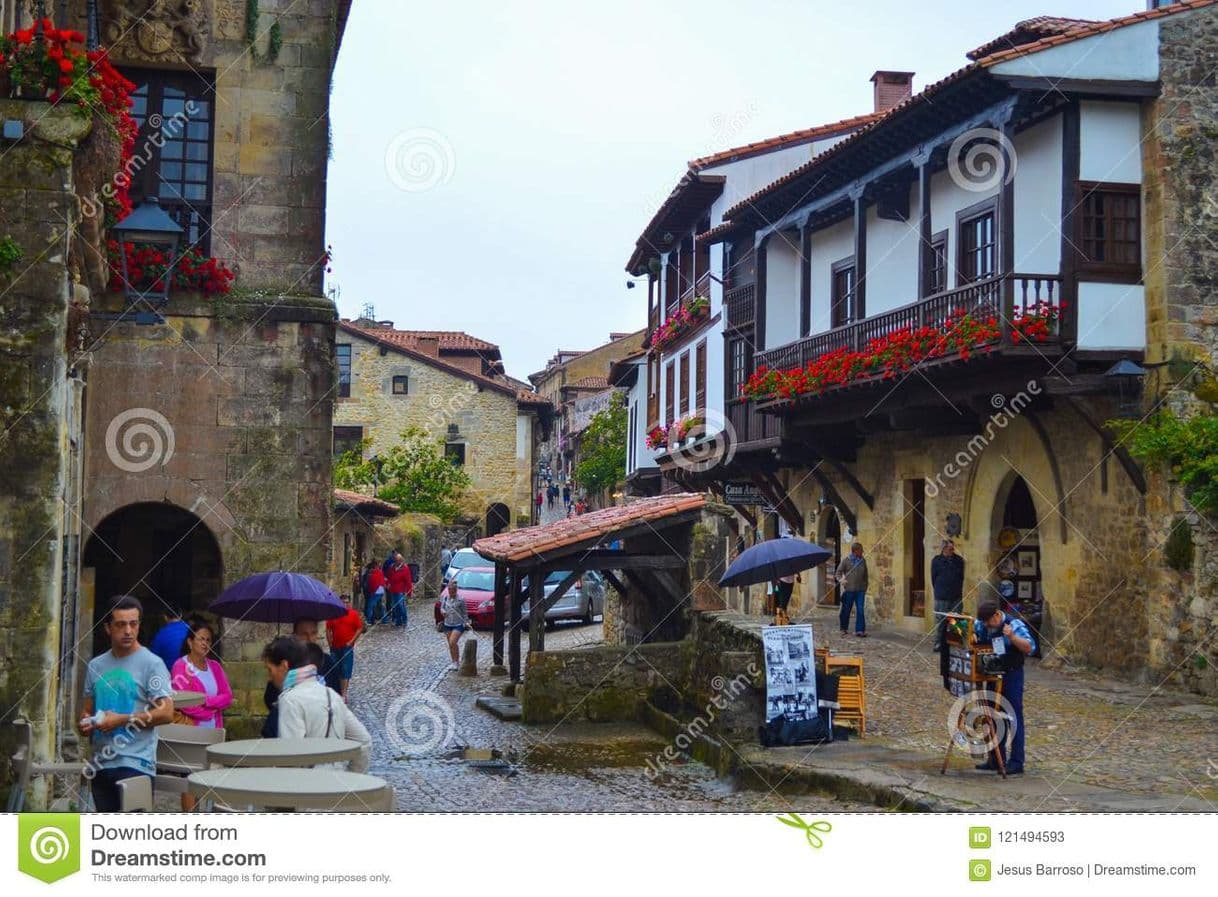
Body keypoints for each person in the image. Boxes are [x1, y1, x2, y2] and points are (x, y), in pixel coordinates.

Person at [78, 595, 174, 812]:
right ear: (108, 628)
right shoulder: (95, 665)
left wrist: (120, 720)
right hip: (101, 763)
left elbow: (167, 712)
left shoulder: (152, 664)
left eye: (133, 623)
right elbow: (87, 711)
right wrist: (85, 723)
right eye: (121, 625)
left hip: (136, 764)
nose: (128, 631)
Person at [264, 636, 371, 772]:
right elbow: (364, 741)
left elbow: (291, 759)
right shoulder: (332, 695)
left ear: (284, 666)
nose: (269, 677)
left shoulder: (290, 700)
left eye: (269, 669)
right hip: (337, 788)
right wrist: (352, 778)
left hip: (307, 789)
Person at [169, 618, 232, 810]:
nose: (205, 643)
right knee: (190, 780)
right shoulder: (181, 667)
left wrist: (205, 700)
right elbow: (185, 703)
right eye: (201, 639)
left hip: (213, 732)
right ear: (190, 642)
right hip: (192, 732)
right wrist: (210, 708)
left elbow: (227, 697)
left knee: (215, 778)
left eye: (208, 640)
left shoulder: (215, 667)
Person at [973, 588, 1036, 776]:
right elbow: (974, 633)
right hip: (992, 674)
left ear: (996, 616)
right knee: (993, 716)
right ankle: (995, 758)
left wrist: (1012, 637)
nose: (986, 626)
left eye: (988, 623)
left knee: (1014, 715)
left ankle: (1017, 762)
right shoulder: (982, 624)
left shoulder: (1013, 624)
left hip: (1012, 673)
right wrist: (973, 638)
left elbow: (1030, 647)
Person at [326, 594, 364, 701]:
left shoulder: (353, 614)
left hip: (347, 647)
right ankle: (337, 691)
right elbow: (328, 629)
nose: (345, 604)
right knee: (335, 669)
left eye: (347, 602)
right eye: (343, 602)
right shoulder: (333, 614)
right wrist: (330, 643)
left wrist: (351, 641)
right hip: (335, 647)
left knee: (345, 670)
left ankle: (343, 694)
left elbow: (359, 629)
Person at [931, 540, 966, 652]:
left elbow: (961, 577)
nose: (952, 551)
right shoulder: (937, 561)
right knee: (941, 621)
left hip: (956, 595)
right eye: (950, 549)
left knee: (957, 620)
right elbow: (934, 578)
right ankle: (939, 643)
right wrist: (939, 589)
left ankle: (956, 643)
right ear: (944, 549)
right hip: (942, 596)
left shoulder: (959, 560)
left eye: (953, 548)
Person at [292, 617, 342, 693]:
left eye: (313, 633)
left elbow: (336, 693)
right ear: (295, 636)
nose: (310, 639)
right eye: (304, 634)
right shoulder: (287, 663)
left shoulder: (327, 661)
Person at [836, 542, 869, 637]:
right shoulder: (846, 561)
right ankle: (843, 628)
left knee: (860, 609)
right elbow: (838, 572)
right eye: (861, 550)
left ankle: (860, 630)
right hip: (849, 590)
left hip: (860, 590)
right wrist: (841, 580)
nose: (862, 552)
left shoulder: (863, 561)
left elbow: (866, 576)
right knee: (846, 610)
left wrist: (865, 586)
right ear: (855, 551)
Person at [440, 577, 472, 672]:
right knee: (450, 644)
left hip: (458, 624)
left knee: (453, 642)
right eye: (449, 590)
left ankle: (456, 662)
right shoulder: (445, 598)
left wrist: (466, 622)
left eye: (452, 590)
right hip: (448, 623)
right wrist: (443, 612)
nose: (451, 592)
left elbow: (465, 613)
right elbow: (442, 608)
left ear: (456, 590)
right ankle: (454, 661)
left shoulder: (461, 600)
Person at [148, 608, 190, 673]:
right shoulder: (190, 630)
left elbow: (152, 659)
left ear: (165, 617)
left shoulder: (160, 634)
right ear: (181, 615)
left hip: (169, 676)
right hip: (190, 673)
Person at [386, 551, 414, 628]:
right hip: (393, 589)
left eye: (398, 560)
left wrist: (409, 592)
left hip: (400, 590)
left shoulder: (405, 569)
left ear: (401, 560)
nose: (396, 561)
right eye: (395, 560)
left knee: (401, 606)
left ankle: (404, 620)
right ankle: (398, 621)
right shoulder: (391, 567)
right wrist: (388, 583)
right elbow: (389, 577)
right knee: (395, 606)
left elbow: (408, 581)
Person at [363, 560, 386, 626]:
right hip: (380, 591)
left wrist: (371, 591)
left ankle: (369, 620)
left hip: (376, 592)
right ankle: (384, 619)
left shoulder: (373, 575)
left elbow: (373, 585)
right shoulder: (379, 572)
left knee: (370, 606)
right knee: (380, 605)